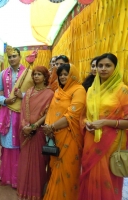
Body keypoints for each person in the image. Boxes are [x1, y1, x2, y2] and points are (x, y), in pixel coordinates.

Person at [79, 53, 128, 200]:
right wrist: (86, 122)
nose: (103, 69)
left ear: (115, 67)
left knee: (108, 177)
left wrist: (105, 122)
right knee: (90, 175)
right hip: (91, 139)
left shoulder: (123, 90)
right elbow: (84, 115)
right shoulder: (92, 90)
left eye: (108, 65)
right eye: (100, 65)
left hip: (111, 142)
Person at [42, 64, 86, 200]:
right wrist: (48, 128)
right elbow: (50, 111)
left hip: (70, 137)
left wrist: (51, 127)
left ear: (73, 74)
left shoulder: (79, 90)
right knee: (55, 170)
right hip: (54, 137)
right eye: (60, 74)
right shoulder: (58, 91)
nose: (62, 77)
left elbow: (72, 116)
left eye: (66, 74)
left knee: (67, 171)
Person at [0, 45, 33, 188]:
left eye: (14, 56)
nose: (11, 59)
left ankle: (20, 178)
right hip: (7, 113)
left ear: (20, 57)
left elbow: (35, 92)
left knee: (20, 145)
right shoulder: (3, 73)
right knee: (7, 145)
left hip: (23, 114)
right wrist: (4, 100)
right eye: (9, 57)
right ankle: (7, 176)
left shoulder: (29, 73)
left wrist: (22, 96)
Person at [17, 66, 54, 199]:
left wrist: (34, 126)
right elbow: (22, 111)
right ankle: (23, 190)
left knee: (38, 163)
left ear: (45, 77)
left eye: (39, 74)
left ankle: (35, 192)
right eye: (34, 74)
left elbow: (48, 113)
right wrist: (24, 126)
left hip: (38, 132)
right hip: (25, 132)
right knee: (25, 161)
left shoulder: (50, 94)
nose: (36, 76)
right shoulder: (28, 91)